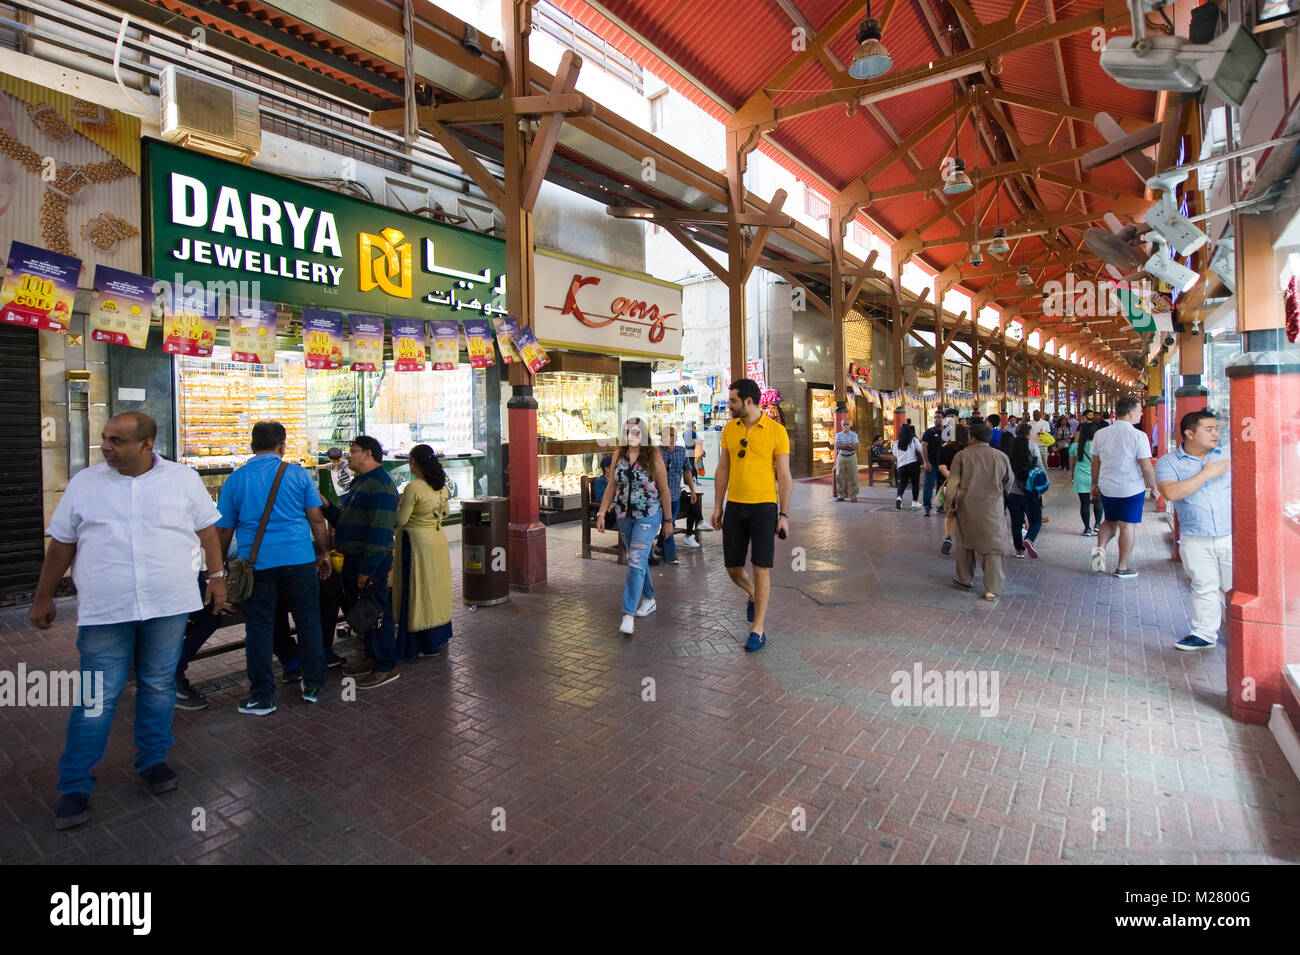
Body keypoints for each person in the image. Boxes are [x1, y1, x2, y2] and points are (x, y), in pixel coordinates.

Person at [30, 412, 227, 830]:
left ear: (146, 443)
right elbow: (62, 543)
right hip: (106, 608)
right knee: (96, 698)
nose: (106, 447)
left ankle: (153, 761)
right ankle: (75, 785)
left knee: (158, 685)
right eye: (105, 438)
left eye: (117, 440)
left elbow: (208, 531)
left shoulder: (182, 479)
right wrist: (43, 595)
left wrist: (216, 578)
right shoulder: (86, 483)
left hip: (168, 604)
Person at [214, 422, 332, 715]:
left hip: (257, 566)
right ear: (282, 445)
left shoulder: (236, 480)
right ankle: (313, 685)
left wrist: (217, 570)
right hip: (300, 560)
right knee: (308, 622)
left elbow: (224, 530)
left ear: (252, 445)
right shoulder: (297, 474)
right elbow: (316, 520)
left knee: (259, 630)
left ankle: (263, 697)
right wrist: (324, 553)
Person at [710, 378, 793, 653]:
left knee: (761, 567)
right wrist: (717, 505)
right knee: (732, 567)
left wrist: (784, 513)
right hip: (735, 504)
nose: (728, 404)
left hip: (765, 507)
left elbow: (784, 475)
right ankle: (754, 595)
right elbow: (723, 469)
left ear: (748, 401)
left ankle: (758, 629)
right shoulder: (729, 430)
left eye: (732, 400)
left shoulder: (776, 431)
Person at [1155, 411, 1232, 651]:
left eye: (1216, 428)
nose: (1215, 433)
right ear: (1190, 433)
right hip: (1194, 535)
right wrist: (1207, 473)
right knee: (1203, 585)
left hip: (1231, 534)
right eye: (1208, 429)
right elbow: (1171, 492)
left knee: (1237, 588)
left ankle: (1245, 635)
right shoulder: (1169, 462)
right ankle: (1204, 633)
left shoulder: (1229, 455)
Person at [596, 417, 674, 636]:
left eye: (636, 432)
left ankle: (628, 614)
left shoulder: (653, 456)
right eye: (627, 431)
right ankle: (649, 599)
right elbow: (612, 484)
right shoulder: (618, 455)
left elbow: (665, 490)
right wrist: (602, 512)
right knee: (637, 560)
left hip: (648, 516)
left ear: (644, 434)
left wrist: (668, 521)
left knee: (636, 560)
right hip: (624, 516)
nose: (631, 435)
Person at [337, 435, 401, 687]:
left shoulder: (381, 486)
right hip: (354, 559)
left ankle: (386, 665)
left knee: (377, 612)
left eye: (352, 451)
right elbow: (350, 519)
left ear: (369, 454)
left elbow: (380, 531)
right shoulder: (360, 483)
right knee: (363, 612)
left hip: (370, 561)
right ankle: (372, 657)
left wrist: (367, 569)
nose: (348, 455)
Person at [393, 444, 453, 659]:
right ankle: (437, 637)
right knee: (436, 588)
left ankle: (418, 641)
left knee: (417, 589)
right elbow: (445, 512)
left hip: (416, 544)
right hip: (437, 540)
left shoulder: (414, 488)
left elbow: (401, 520)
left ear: (415, 463)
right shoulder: (441, 486)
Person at [1089, 396, 1159, 579]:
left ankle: (1100, 550)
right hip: (1131, 488)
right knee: (1127, 526)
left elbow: (1095, 463)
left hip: (1107, 486)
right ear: (1131, 413)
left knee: (1109, 521)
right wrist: (1154, 488)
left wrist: (1094, 484)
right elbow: (1145, 465)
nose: (1142, 413)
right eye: (1140, 410)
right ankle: (1122, 567)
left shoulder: (1101, 434)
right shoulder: (1138, 436)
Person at [946, 422, 1013, 601]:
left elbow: (952, 483)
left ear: (972, 437)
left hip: (966, 507)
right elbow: (1008, 481)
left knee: (965, 544)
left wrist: (950, 505)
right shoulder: (1000, 457)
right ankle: (992, 589)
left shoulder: (961, 456)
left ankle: (965, 579)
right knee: (993, 548)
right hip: (992, 508)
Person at [658, 423, 698, 562]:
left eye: (669, 437)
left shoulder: (681, 451)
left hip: (674, 495)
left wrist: (692, 490)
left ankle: (660, 548)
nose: (666, 440)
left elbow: (687, 471)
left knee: (669, 523)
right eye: (663, 437)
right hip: (658, 497)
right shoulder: (656, 452)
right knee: (668, 523)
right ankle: (670, 555)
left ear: (674, 438)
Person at [1006, 422, 1044, 559]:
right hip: (1031, 491)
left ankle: (1019, 550)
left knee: (1016, 522)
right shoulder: (1033, 447)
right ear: (1028, 433)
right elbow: (1040, 467)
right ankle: (1029, 539)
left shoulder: (1010, 448)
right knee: (1036, 520)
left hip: (1013, 491)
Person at [938, 423, 969, 555]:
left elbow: (942, 468)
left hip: (949, 486)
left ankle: (948, 537)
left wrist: (954, 479)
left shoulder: (945, 449)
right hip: (968, 486)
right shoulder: (969, 451)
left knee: (950, 514)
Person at [1070, 421, 1105, 535]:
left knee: (1084, 503)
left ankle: (1087, 529)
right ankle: (1097, 525)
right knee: (1098, 501)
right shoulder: (1101, 447)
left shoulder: (1075, 446)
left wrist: (1072, 474)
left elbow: (1072, 463)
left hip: (1081, 476)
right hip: (1097, 476)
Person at [893, 422, 922, 510]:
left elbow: (895, 454)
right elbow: (920, 449)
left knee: (902, 483)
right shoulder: (913, 440)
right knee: (915, 483)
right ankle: (914, 502)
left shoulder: (896, 443)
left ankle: (899, 498)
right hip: (913, 464)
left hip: (902, 466)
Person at [920, 411, 944, 516]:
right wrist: (926, 462)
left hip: (943, 464)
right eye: (934, 417)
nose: (936, 419)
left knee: (942, 486)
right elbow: (924, 446)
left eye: (938, 417)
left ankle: (940, 506)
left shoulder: (948, 432)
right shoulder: (929, 432)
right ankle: (927, 507)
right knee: (928, 484)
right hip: (932, 463)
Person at [833, 416, 860, 502]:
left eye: (847, 424)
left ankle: (853, 495)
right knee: (839, 476)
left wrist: (844, 446)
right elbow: (837, 446)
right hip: (841, 456)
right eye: (844, 424)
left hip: (851, 456)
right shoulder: (838, 435)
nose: (845, 426)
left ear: (850, 425)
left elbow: (854, 447)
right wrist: (848, 445)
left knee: (854, 476)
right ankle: (841, 495)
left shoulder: (854, 435)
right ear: (841, 425)